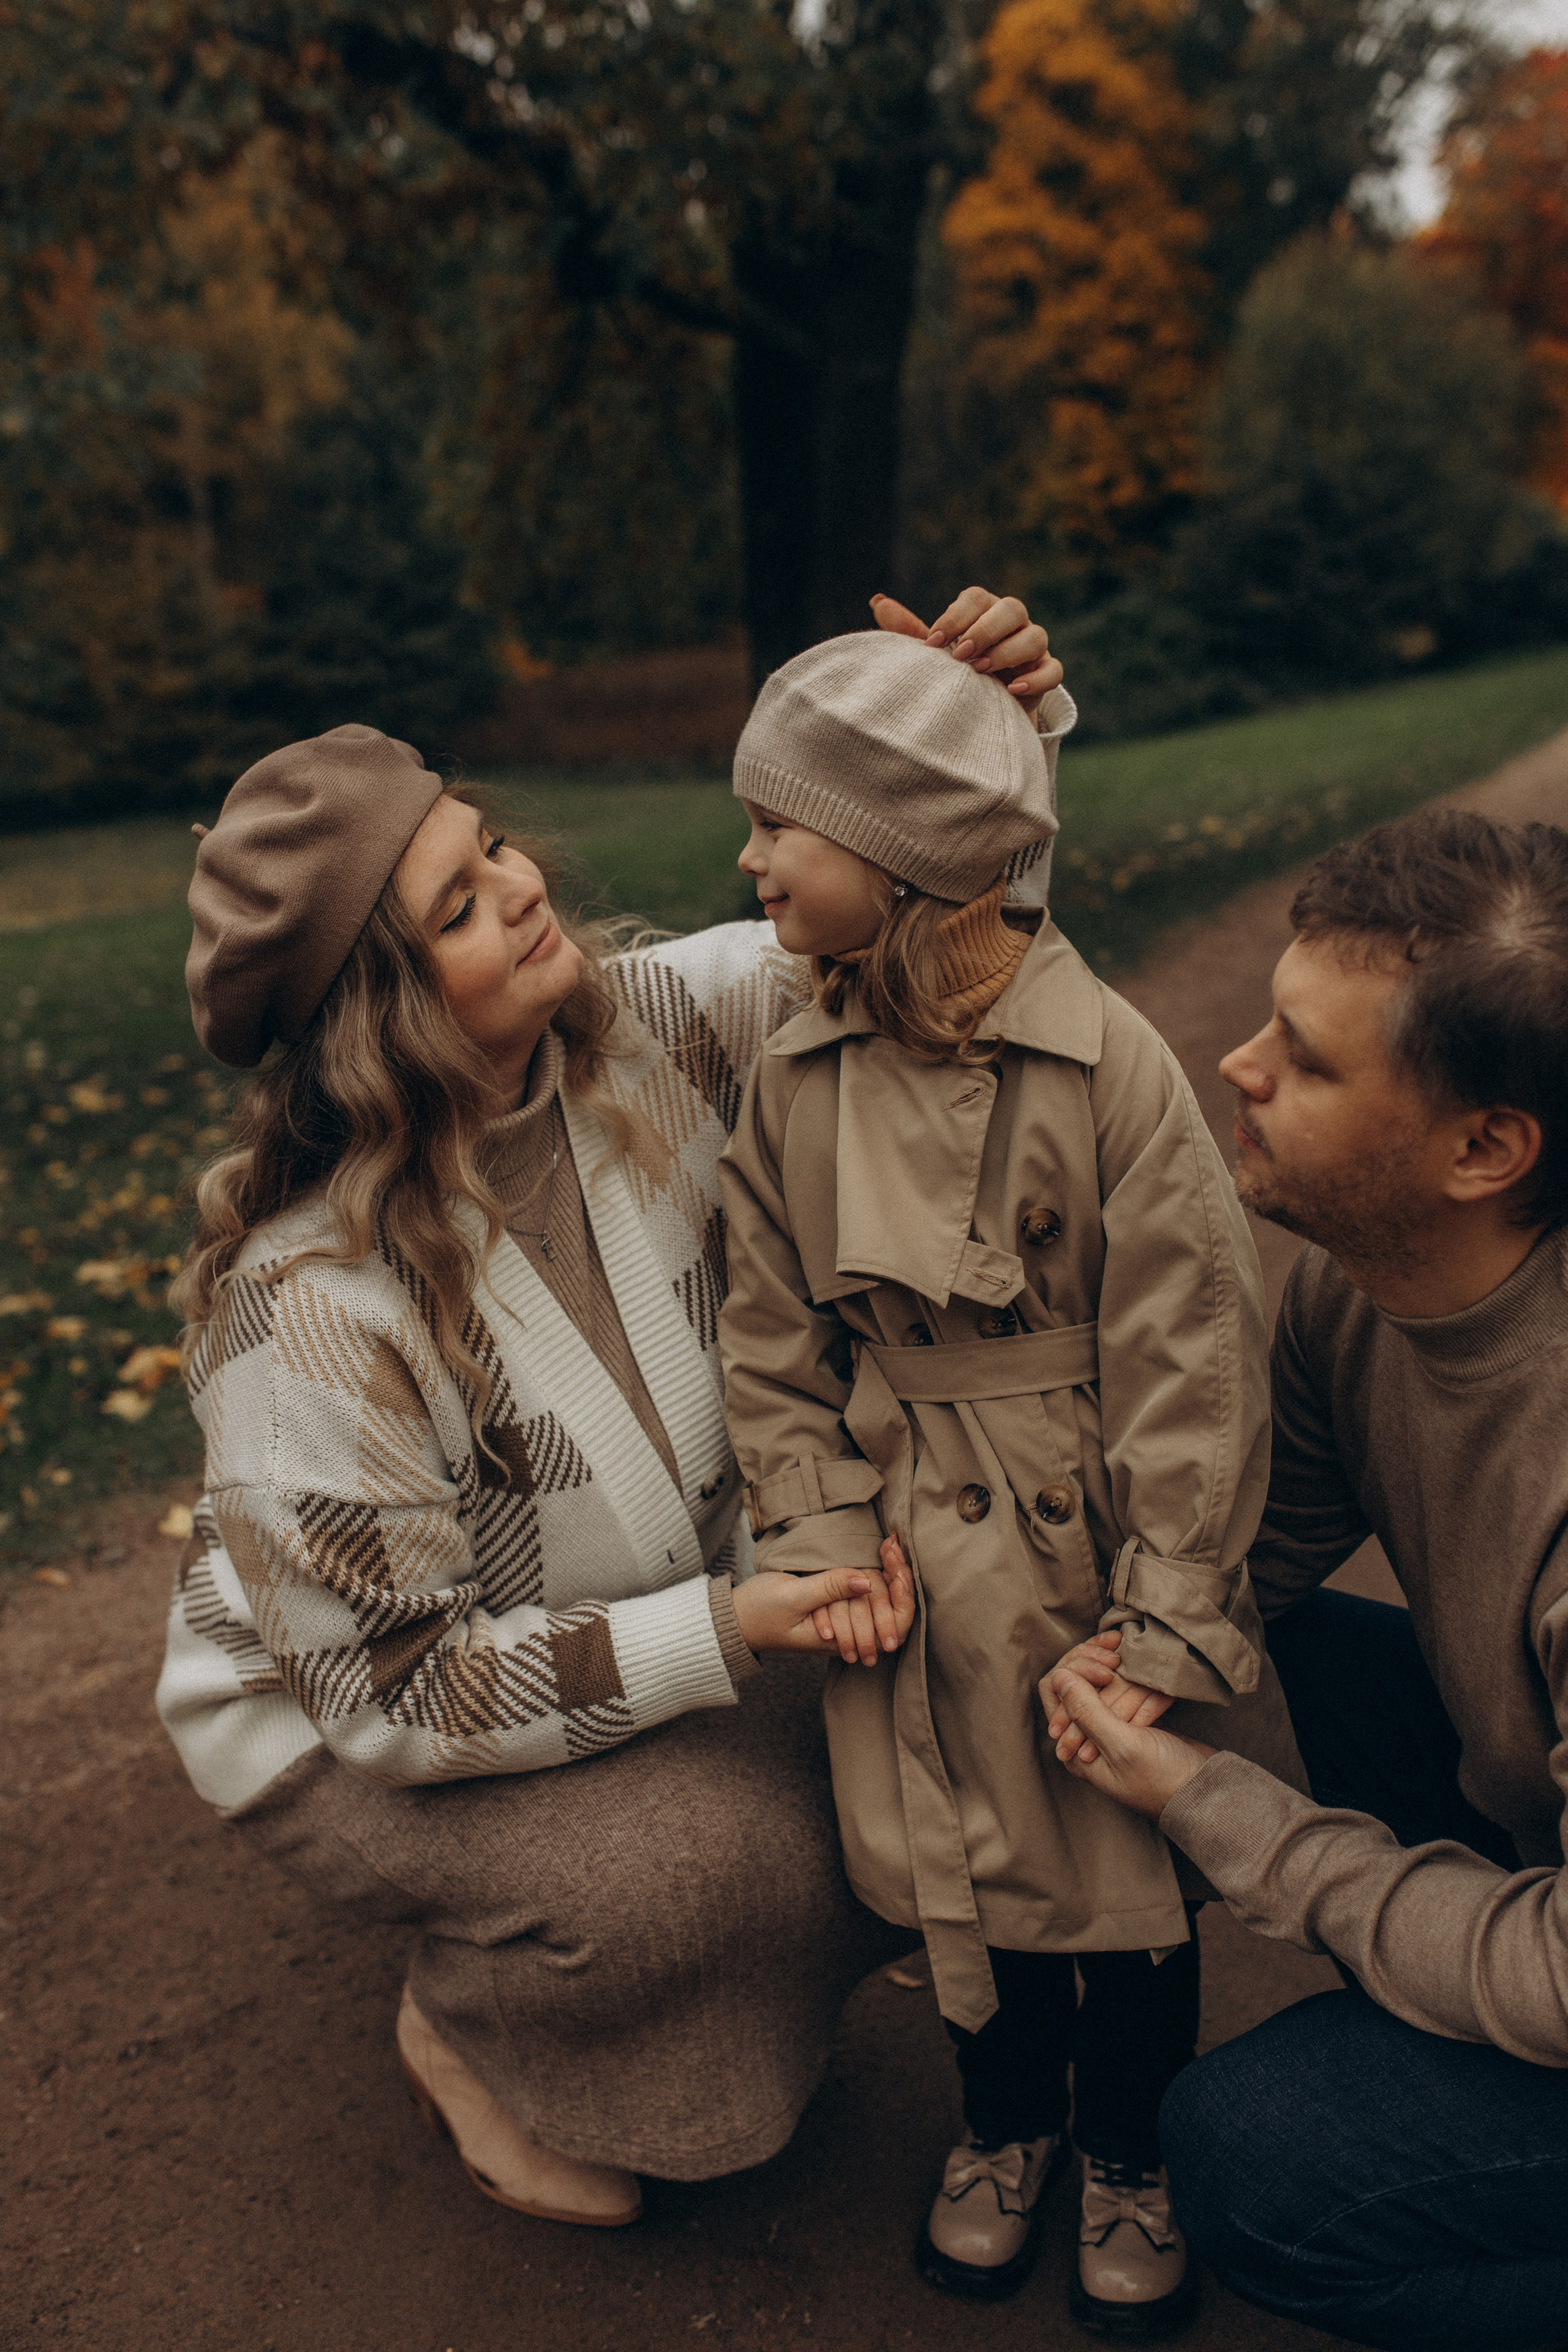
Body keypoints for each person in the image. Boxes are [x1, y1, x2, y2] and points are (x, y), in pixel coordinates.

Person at [152, 589, 1066, 2229]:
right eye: (454, 903)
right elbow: (402, 1695)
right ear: (382, 1011)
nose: (517, 887)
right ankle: (471, 2027)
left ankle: (656, 1920)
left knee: (948, 1694)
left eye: (491, 846)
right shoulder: (315, 1307)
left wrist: (976, 743)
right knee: (709, 1883)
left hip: (614, 1615)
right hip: (353, 1721)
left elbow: (922, 963)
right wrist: (722, 1634)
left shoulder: (647, 1037)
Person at [714, 630, 1305, 2335]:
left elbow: (1194, 1352)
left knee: (1118, 1885)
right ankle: (1003, 2128)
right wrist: (822, 1532)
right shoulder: (793, 1073)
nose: (747, 862)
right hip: (907, 1546)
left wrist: (1168, 1609)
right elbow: (771, 1339)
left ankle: (1128, 2146)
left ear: (901, 864)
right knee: (961, 1865)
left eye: (779, 828)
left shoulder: (1102, 1062)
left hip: (1087, 1557)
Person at [1044, 808, 1568, 2352]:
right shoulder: (1358, 1294)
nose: (1237, 1067)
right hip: (1519, 1777)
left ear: (1484, 1148)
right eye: (1267, 1021)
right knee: (1231, 1669)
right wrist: (1122, 1654)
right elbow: (1249, 1560)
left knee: (1253, 2162)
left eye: (1308, 1060)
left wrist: (1228, 1819)